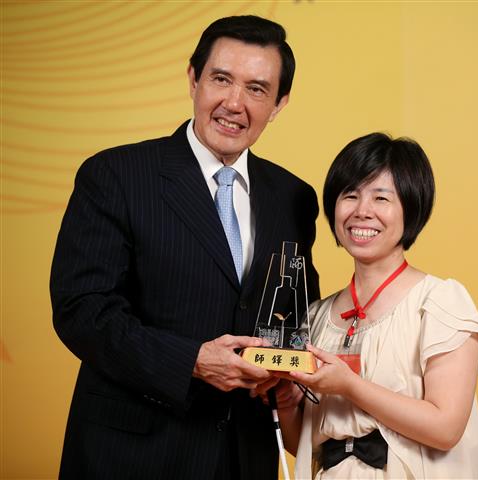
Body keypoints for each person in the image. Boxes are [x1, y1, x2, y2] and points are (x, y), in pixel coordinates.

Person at [49, 15, 319, 480]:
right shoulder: (116, 174)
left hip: (244, 455)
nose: (234, 103)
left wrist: (291, 372)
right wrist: (191, 361)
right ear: (194, 79)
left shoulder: (293, 196)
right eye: (221, 79)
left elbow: (294, 313)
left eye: (257, 89)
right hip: (133, 453)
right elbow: (82, 310)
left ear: (279, 104)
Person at [276, 133, 478, 479]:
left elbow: (446, 427)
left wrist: (350, 385)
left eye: (381, 198)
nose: (362, 211)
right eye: (350, 195)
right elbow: (304, 443)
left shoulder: (438, 302)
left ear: (411, 208)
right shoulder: (316, 316)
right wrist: (286, 402)